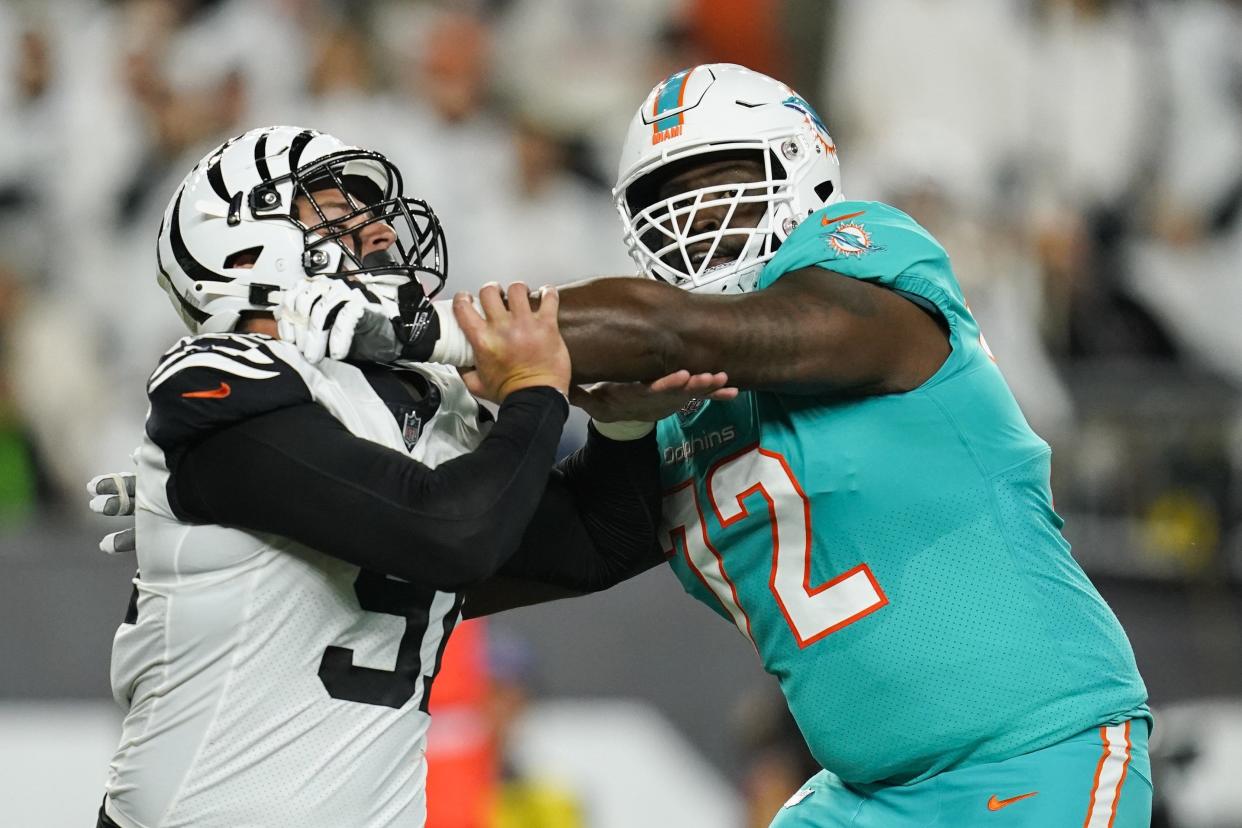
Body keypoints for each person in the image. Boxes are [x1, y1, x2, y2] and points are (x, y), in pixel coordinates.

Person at [283, 64, 1153, 826]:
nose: (696, 211)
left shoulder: (871, 267)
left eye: (725, 175)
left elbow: (686, 331)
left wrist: (421, 331)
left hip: (1036, 753)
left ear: (802, 167)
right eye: (666, 195)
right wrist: (292, 528)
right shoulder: (672, 408)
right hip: (862, 794)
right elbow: (520, 545)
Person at [89, 125, 726, 828]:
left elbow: (597, 541)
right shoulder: (220, 377)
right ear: (239, 247)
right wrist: (537, 390)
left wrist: (623, 425)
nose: (381, 234)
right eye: (333, 213)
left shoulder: (416, 399)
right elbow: (450, 534)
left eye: (373, 214)